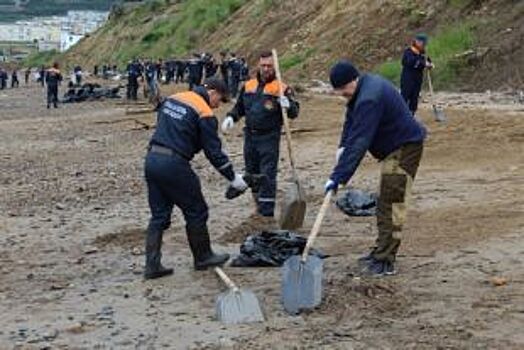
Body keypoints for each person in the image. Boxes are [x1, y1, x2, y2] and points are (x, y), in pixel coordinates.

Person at [325, 60, 426, 276]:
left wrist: (338, 177)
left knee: (391, 203)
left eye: (343, 89)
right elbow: (351, 121)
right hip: (396, 147)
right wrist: (343, 146)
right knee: (384, 202)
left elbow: (361, 141)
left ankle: (385, 261)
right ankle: (381, 252)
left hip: (404, 148)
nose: (342, 94)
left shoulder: (369, 98)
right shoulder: (363, 88)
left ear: (352, 80)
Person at [143, 78, 247, 279]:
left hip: (152, 160)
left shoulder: (174, 98)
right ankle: (203, 256)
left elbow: (171, 129)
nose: (218, 105)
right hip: (174, 165)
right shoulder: (204, 112)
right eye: (220, 100)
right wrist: (233, 177)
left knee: (159, 216)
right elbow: (213, 152)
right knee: (197, 211)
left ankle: (152, 266)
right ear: (213, 92)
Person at [222, 50, 300, 218]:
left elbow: (294, 113)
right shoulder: (248, 86)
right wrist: (231, 117)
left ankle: (266, 214)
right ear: (259, 65)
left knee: (267, 175)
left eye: (269, 66)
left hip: (269, 138)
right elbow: (239, 108)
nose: (266, 69)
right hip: (249, 136)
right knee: (252, 174)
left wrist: (288, 105)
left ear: (275, 67)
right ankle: (258, 206)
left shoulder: (282, 89)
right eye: (263, 65)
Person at [400, 34, 434, 115]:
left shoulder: (423, 53)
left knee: (415, 97)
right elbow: (409, 62)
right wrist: (423, 64)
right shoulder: (409, 52)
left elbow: (428, 61)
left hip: (418, 79)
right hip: (408, 78)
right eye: (422, 43)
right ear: (417, 42)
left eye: (424, 43)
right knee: (405, 96)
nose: (423, 45)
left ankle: (411, 114)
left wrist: (430, 65)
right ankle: (400, 114)